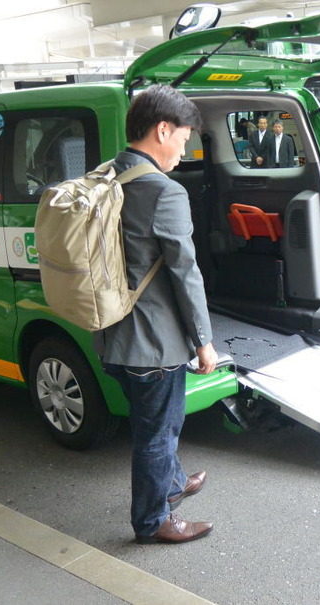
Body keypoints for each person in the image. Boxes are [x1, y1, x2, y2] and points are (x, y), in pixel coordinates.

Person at [95, 84, 219, 544]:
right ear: (162, 130)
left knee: (158, 424)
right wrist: (204, 341)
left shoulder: (106, 176)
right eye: (184, 139)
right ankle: (152, 522)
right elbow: (186, 273)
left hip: (110, 333)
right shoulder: (164, 191)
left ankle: (170, 483)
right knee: (157, 434)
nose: (184, 151)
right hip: (153, 343)